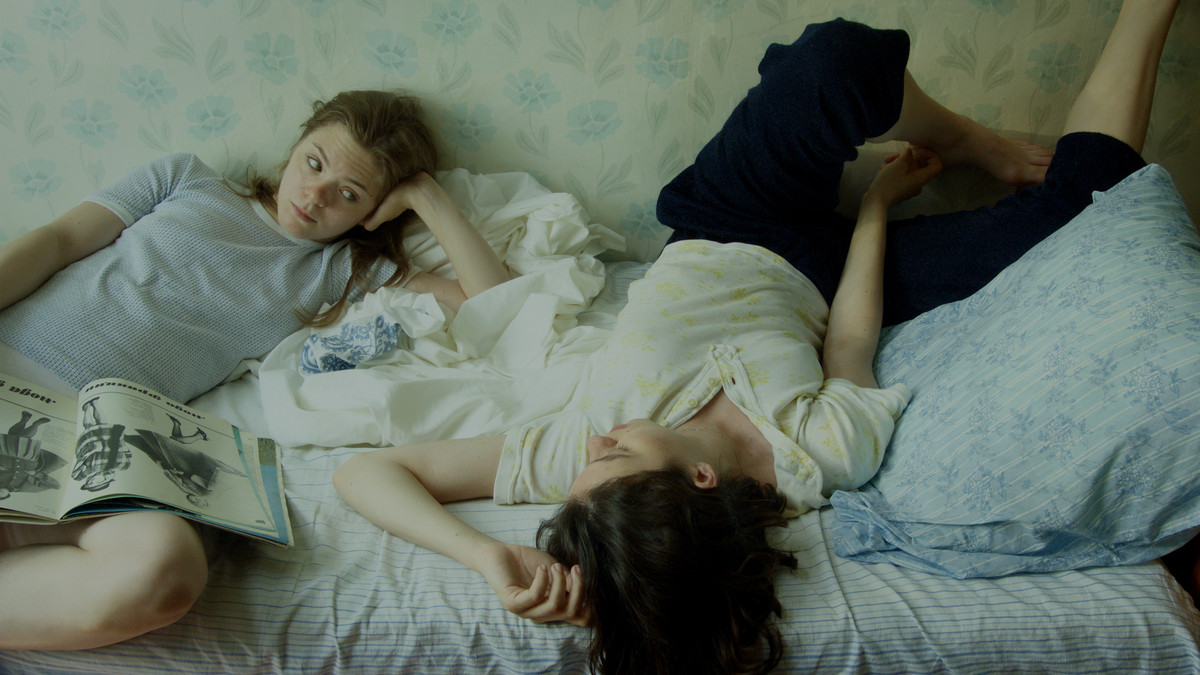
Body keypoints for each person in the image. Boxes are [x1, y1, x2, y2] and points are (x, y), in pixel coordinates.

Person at [335, 2, 1181, 673]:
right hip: (830, 276)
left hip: (727, 217)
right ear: (702, 479)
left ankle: (963, 136)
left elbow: (365, 471)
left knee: (832, 60)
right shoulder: (811, 460)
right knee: (1086, 206)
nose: (597, 439)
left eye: (595, 455)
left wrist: (486, 554)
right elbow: (850, 345)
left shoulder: (580, 459)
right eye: (616, 452)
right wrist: (877, 208)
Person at [0, 89, 511, 650]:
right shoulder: (185, 178)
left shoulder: (339, 271)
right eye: (313, 163)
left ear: (374, 211)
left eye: (349, 194)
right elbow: (59, 240)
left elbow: (497, 306)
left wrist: (426, 196)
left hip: (97, 440)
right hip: (11, 369)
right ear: (296, 145)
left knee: (163, 570)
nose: (314, 196)